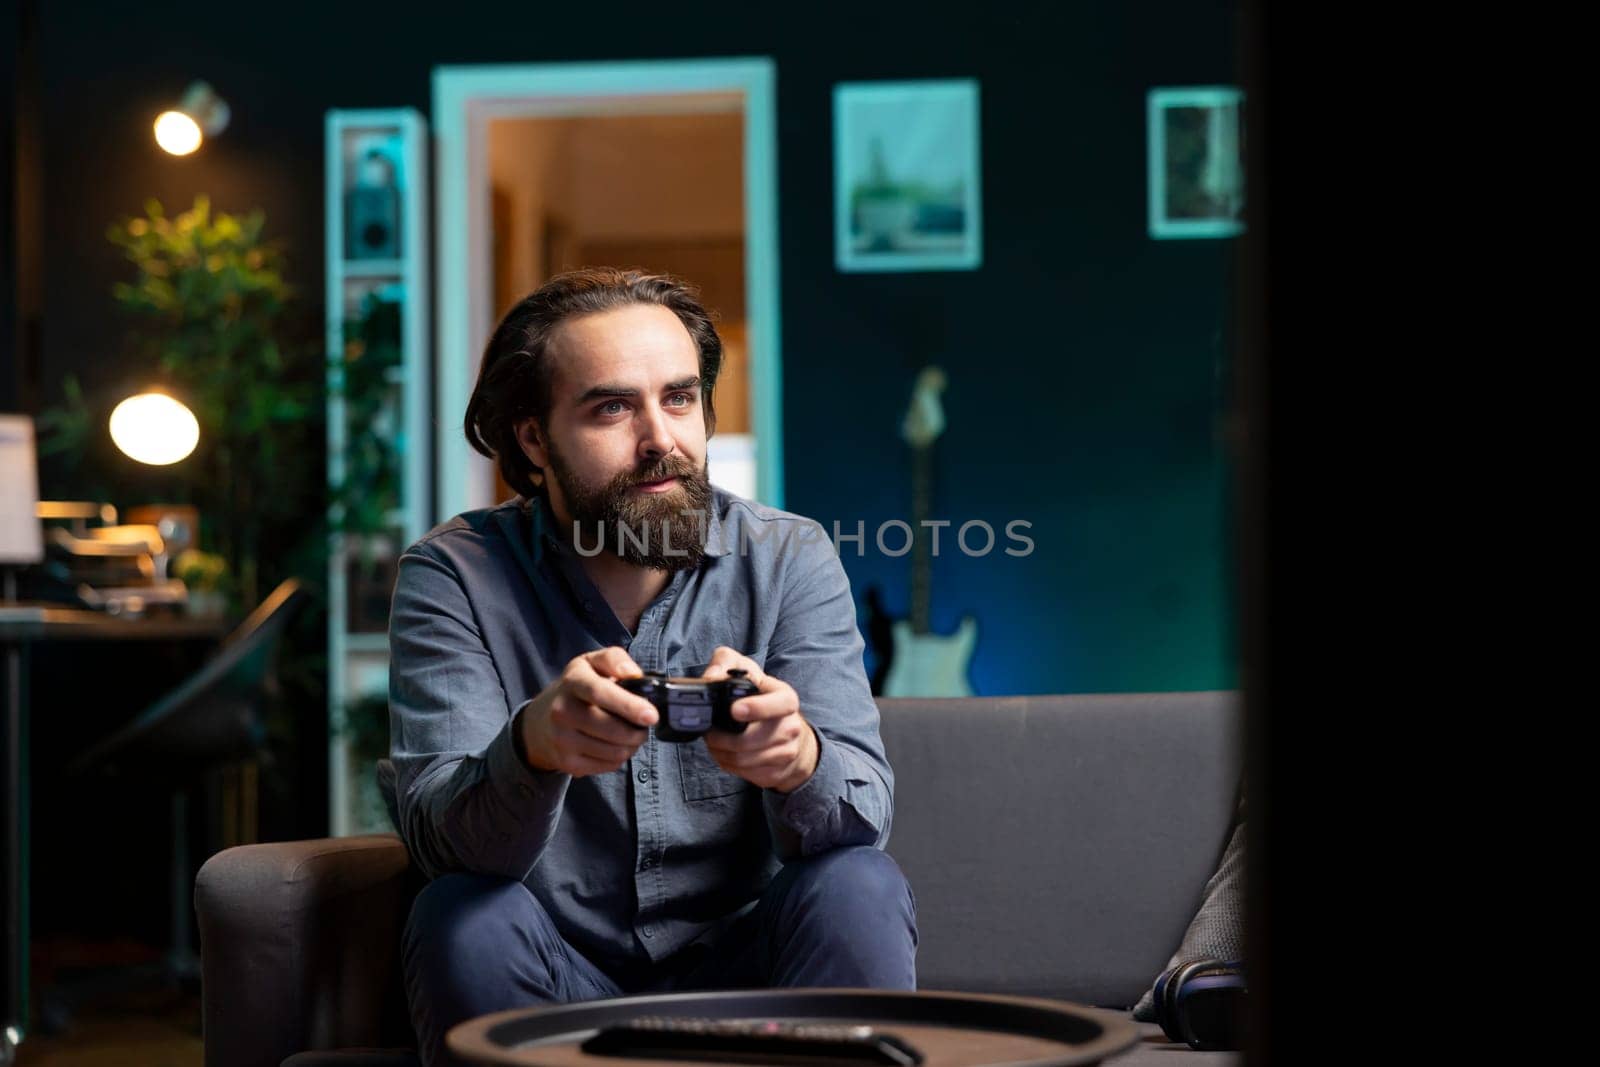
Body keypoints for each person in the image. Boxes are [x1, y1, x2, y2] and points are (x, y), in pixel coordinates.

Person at [388, 268, 918, 1065]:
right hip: (558, 975)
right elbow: (444, 844)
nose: (660, 438)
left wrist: (797, 759)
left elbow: (862, 812)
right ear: (533, 438)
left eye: (679, 398)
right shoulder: (453, 575)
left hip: (751, 973)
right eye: (611, 407)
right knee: (460, 910)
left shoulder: (788, 557)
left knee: (859, 884)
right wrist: (532, 744)